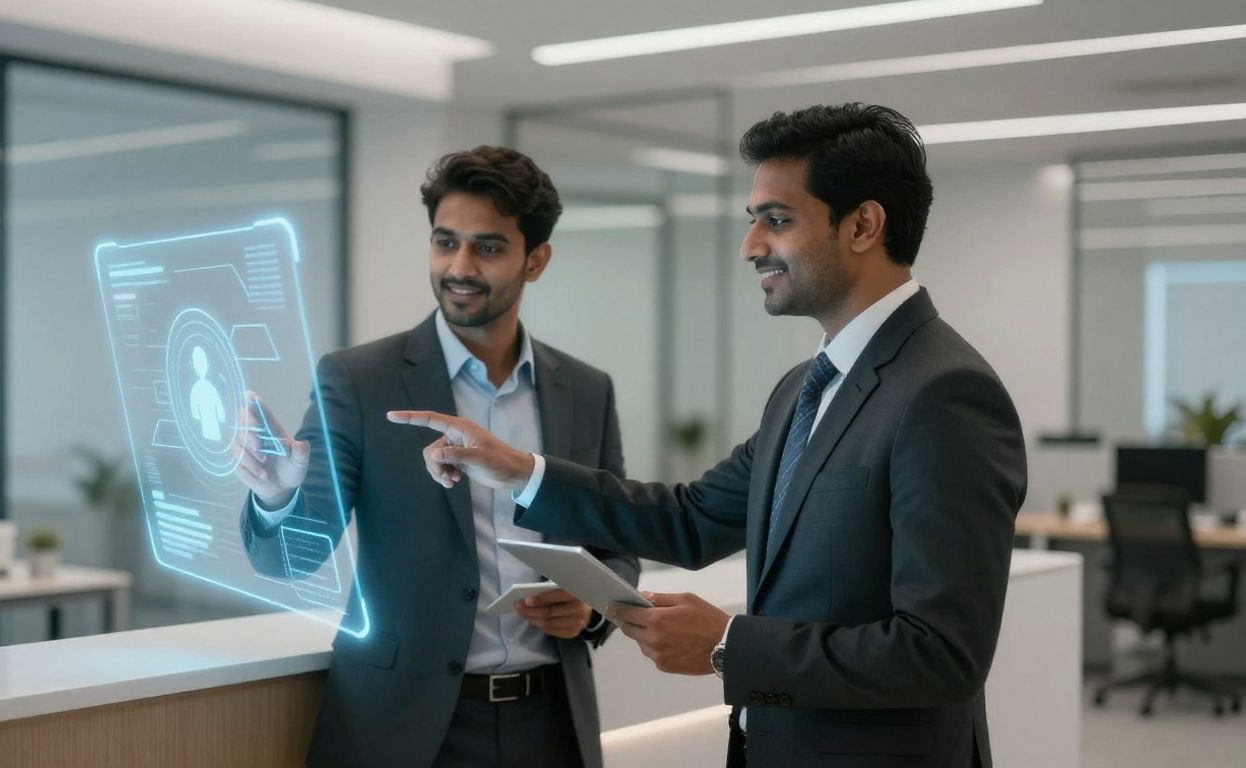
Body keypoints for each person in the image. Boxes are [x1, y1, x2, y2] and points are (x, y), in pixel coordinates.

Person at [389, 105, 1027, 768]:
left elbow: (942, 654)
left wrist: (728, 645)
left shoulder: (943, 394)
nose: (751, 245)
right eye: (753, 219)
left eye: (776, 220)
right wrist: (521, 471)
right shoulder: (806, 387)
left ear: (862, 225)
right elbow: (693, 519)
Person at [233, 145, 637, 768]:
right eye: (444, 242)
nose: (460, 266)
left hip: (550, 721)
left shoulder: (585, 389)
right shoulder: (360, 379)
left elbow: (617, 540)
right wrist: (277, 495)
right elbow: (294, 558)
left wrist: (590, 611)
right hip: (406, 726)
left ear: (536, 260)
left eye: (489, 247)